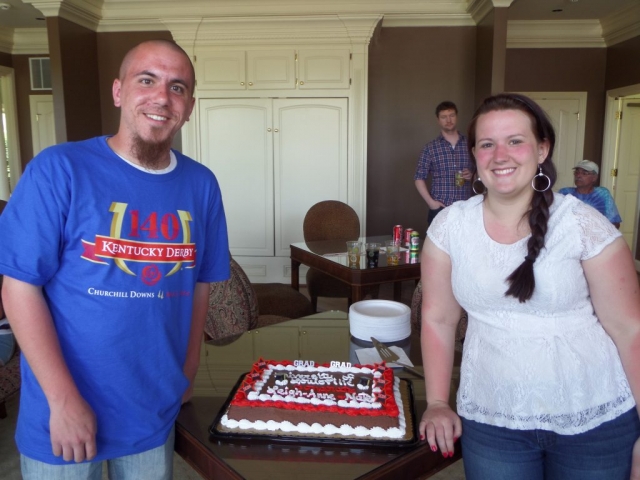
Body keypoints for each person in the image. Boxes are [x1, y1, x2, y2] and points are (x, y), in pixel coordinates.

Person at [0, 40, 230, 479]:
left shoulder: (202, 185)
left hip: (152, 410)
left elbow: (200, 283)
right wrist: (62, 401)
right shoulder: (59, 169)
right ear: (119, 91)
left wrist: (189, 368)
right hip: (63, 415)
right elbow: (19, 288)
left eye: (177, 87)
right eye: (147, 80)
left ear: (189, 106)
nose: (162, 97)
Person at [418, 93, 640, 480]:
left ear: (542, 149)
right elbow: (438, 319)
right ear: (475, 155)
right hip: (492, 418)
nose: (500, 155)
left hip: (594, 417)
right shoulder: (450, 227)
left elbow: (629, 328)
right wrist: (437, 402)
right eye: (487, 144)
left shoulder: (583, 224)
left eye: (515, 141)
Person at [414, 101, 474, 226]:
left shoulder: (470, 145)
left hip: (467, 208)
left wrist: (473, 174)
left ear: (457, 116)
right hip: (440, 208)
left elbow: (484, 170)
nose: (448, 120)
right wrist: (431, 203)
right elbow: (419, 178)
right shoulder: (430, 148)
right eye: (444, 117)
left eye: (452, 115)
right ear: (438, 120)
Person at [559, 159, 622, 228]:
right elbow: (556, 218)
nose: (578, 175)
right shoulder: (565, 193)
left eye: (584, 173)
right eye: (577, 172)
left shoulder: (603, 194)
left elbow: (615, 223)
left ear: (594, 178)